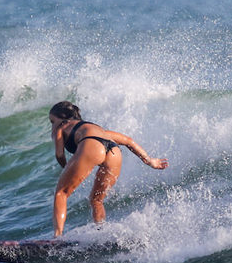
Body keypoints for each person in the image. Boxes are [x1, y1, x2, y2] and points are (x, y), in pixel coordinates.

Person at [48, 101, 167, 237]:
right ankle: (101, 233)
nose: (52, 125)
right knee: (96, 200)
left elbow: (59, 154)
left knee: (61, 193)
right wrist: (149, 161)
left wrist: (66, 167)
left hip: (91, 145)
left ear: (63, 118)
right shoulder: (93, 127)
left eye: (52, 121)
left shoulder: (60, 128)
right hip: (114, 151)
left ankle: (57, 236)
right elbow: (128, 140)